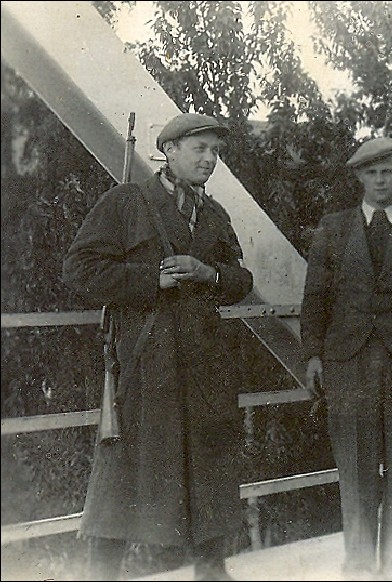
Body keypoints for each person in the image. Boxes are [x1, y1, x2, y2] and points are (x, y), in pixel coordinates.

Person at [63, 112, 254, 581]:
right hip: (146, 363)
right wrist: (152, 278)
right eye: (200, 149)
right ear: (169, 150)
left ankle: (212, 570)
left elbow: (241, 280)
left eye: (215, 151)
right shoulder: (126, 202)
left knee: (208, 466)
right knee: (121, 475)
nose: (210, 160)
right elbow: (80, 270)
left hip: (203, 365)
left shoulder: (214, 215)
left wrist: (210, 274)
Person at [300, 136, 392, 581]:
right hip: (347, 362)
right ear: (360, 178)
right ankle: (360, 566)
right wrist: (313, 354)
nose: (380, 180)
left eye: (387, 172)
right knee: (356, 468)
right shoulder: (332, 229)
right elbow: (315, 298)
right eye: (371, 173)